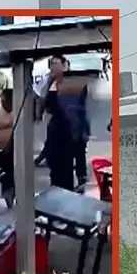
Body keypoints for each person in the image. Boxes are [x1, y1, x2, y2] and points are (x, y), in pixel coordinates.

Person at [35, 55, 89, 191]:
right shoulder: (49, 82)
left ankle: (72, 185)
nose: (53, 67)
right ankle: (57, 187)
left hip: (70, 127)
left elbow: (79, 107)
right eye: (51, 64)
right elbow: (43, 101)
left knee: (68, 161)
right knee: (54, 160)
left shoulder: (72, 83)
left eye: (56, 63)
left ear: (65, 65)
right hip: (55, 126)